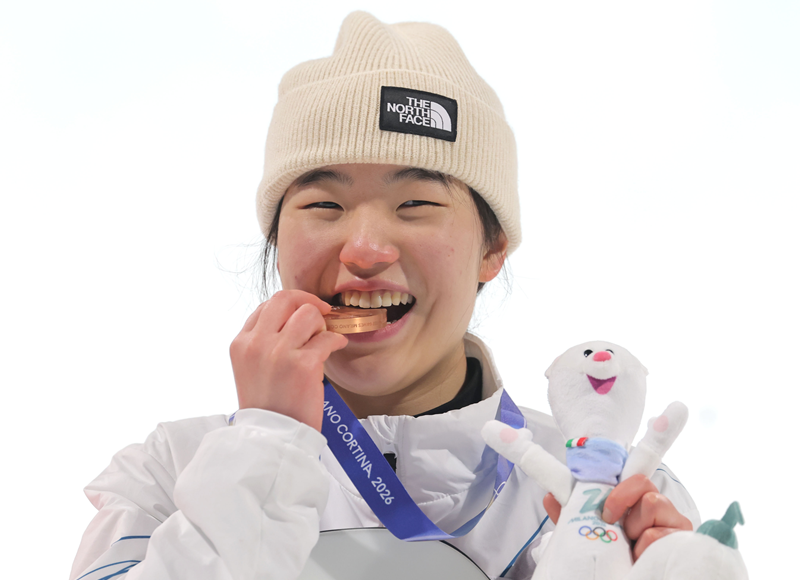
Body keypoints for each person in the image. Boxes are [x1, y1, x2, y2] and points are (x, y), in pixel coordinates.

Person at [70, 12, 698, 580]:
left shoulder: (607, 496)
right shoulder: (167, 470)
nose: (364, 248)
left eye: (416, 204)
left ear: (493, 248)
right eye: (324, 205)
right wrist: (263, 447)